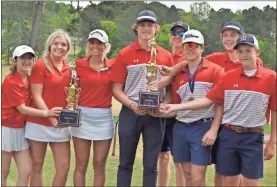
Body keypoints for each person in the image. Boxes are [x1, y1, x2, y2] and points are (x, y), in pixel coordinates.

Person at [161, 34, 276, 187]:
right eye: (240, 51)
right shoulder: (228, 77)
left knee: (250, 182)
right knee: (228, 181)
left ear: (257, 52)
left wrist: (272, 142)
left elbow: (274, 110)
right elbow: (209, 99)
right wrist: (175, 106)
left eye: (248, 51)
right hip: (228, 135)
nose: (243, 55)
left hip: (253, 136)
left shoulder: (271, 77)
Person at [111, 10, 174, 186]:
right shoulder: (125, 54)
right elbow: (116, 89)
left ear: (156, 29)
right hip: (131, 113)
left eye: (150, 25)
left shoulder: (165, 56)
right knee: (125, 163)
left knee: (150, 165)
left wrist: (164, 104)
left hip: (155, 116)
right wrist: (132, 105)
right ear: (136, 28)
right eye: (142, 25)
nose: (146, 28)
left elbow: (170, 90)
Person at [1, 45, 62, 186]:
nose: (27, 61)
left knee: (26, 170)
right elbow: (22, 108)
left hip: (21, 129)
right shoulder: (11, 81)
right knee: (3, 171)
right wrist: (46, 113)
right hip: (6, 129)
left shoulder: (29, 78)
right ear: (15, 60)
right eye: (23, 58)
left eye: (30, 58)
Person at [24, 29, 72, 187]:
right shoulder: (40, 66)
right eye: (56, 43)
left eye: (63, 44)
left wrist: (71, 107)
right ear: (50, 45)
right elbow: (36, 96)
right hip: (38, 123)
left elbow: (70, 96)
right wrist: (49, 116)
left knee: (63, 167)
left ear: (68, 48)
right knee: (37, 166)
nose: (59, 47)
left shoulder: (69, 69)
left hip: (61, 124)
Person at [71, 29, 114, 187]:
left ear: (106, 46)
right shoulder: (77, 65)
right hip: (82, 116)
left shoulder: (113, 65)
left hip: (104, 118)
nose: (95, 46)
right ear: (88, 44)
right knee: (81, 164)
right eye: (92, 42)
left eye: (99, 43)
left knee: (99, 164)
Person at [157, 21, 189, 187]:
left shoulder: (188, 58)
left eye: (182, 34)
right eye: (175, 33)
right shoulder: (162, 56)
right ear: (170, 36)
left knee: (179, 160)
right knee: (163, 156)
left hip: (179, 114)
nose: (178, 37)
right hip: (161, 112)